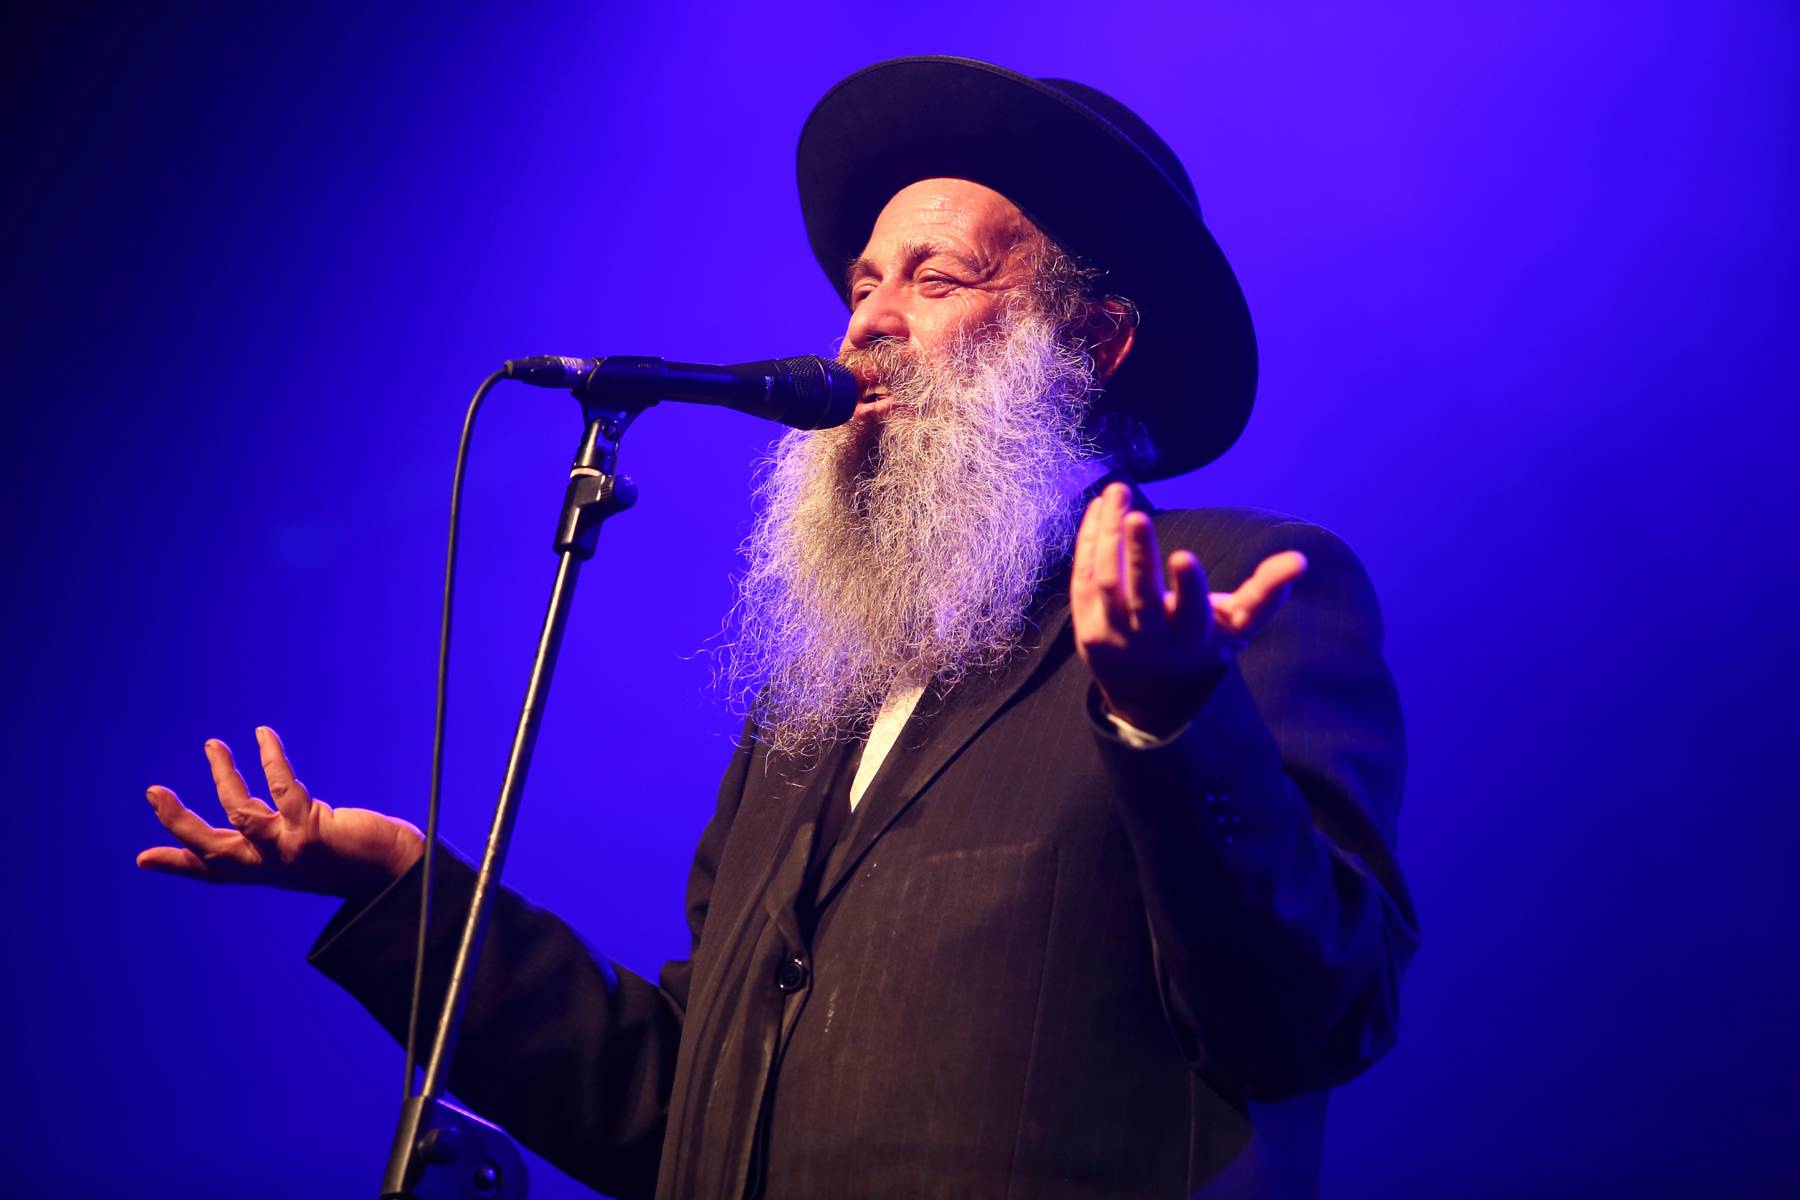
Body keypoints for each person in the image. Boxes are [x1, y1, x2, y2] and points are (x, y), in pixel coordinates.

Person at [138, 56, 1417, 1199]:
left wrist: (1172, 718)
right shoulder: (821, 701)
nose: (867, 320)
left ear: (1091, 340)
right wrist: (405, 889)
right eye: (863, 282)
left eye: (935, 277)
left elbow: (1311, 1015)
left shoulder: (1238, 590)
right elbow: (680, 1109)